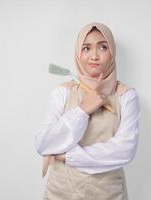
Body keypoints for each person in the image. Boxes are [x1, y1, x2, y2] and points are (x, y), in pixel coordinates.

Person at [35, 22, 140, 200]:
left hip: (107, 193)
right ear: (78, 53)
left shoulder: (126, 96)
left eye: (103, 47)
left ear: (112, 53)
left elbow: (124, 149)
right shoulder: (64, 92)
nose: (94, 56)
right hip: (60, 191)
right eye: (86, 48)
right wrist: (83, 109)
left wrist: (68, 155)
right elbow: (43, 143)